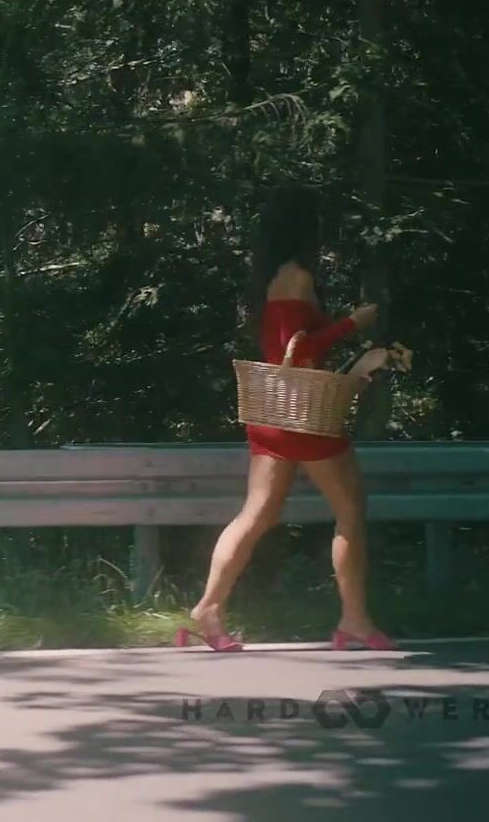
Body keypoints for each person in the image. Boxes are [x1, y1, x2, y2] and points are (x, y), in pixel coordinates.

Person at [179, 186, 406, 653]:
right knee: (350, 510)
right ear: (306, 231)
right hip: (302, 415)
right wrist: (353, 324)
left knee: (258, 514)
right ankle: (355, 620)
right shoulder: (297, 277)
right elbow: (298, 349)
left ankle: (207, 610)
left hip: (271, 412)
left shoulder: (271, 279)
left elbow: (289, 348)